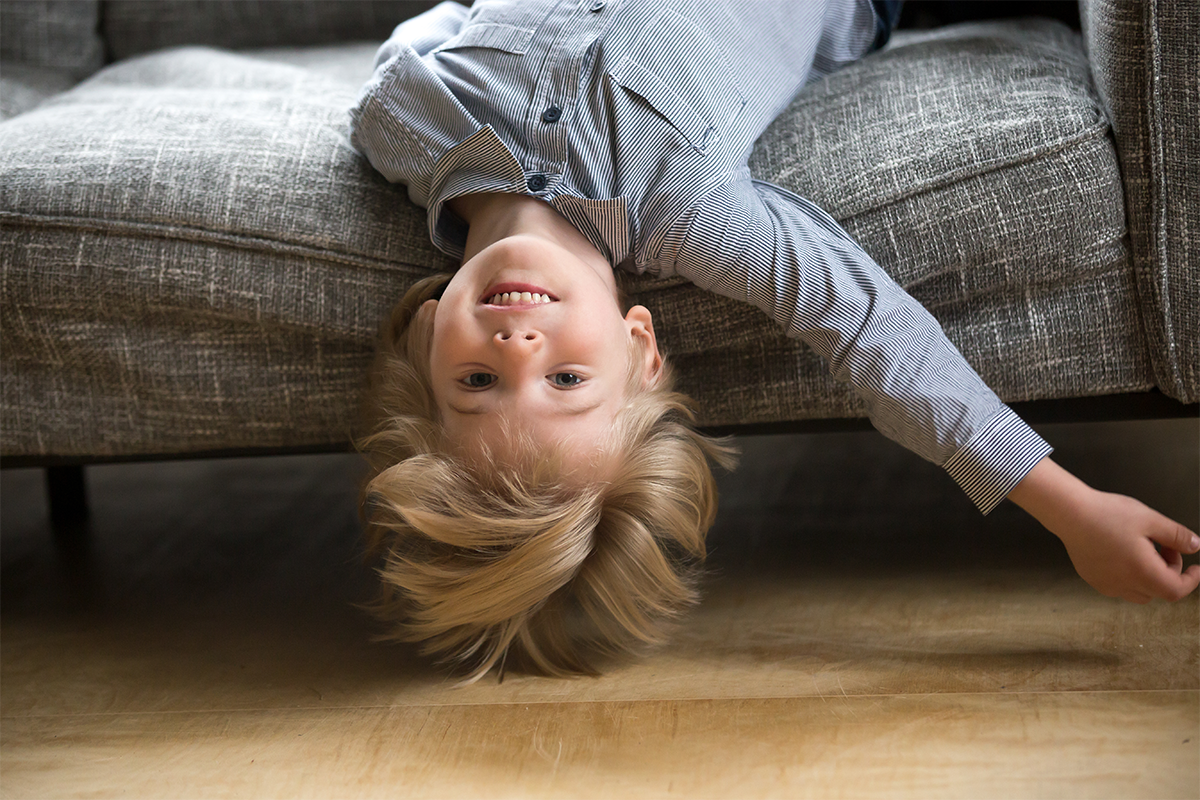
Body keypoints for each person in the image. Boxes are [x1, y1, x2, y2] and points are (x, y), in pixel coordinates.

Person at [348, 0, 1200, 683]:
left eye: (477, 382)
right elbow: (872, 333)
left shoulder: (403, 118)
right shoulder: (686, 211)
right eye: (568, 379)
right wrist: (1069, 507)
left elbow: (438, 24)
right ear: (639, 348)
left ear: (428, 336)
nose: (520, 346)